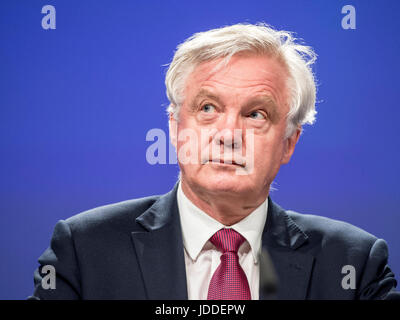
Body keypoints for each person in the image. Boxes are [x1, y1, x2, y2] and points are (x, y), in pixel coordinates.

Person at [29, 23, 398, 300]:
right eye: (207, 108)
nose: (229, 134)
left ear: (289, 143)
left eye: (256, 114)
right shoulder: (85, 249)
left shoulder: (354, 264)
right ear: (175, 128)